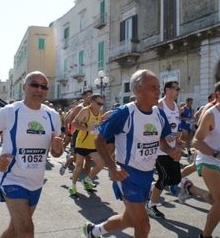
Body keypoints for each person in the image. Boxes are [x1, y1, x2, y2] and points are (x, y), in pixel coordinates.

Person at [86, 69, 181, 238]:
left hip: (147, 175)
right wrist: (112, 166)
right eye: (153, 87)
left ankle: (94, 231)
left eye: (158, 87)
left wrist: (171, 151)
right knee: (143, 226)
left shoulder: (159, 114)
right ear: (138, 90)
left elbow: (161, 141)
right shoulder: (124, 113)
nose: (158, 92)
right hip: (127, 175)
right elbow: (99, 140)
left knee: (129, 220)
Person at [0, 71, 63, 237]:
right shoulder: (9, 112)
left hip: (36, 181)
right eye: (34, 85)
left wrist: (58, 148)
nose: (39, 89)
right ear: (24, 87)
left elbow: (56, 153)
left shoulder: (53, 116)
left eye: (43, 86)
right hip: (12, 178)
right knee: (26, 231)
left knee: (14, 230)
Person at [178, 80, 220, 238]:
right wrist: (216, 153)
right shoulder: (211, 114)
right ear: (219, 94)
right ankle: (205, 236)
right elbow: (196, 141)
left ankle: (190, 189)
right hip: (208, 160)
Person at [146, 80, 182, 218]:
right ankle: (151, 205)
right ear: (167, 90)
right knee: (164, 177)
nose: (178, 91)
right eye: (176, 88)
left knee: (174, 179)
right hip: (159, 149)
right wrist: (163, 137)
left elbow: (175, 128)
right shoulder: (159, 105)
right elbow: (152, 127)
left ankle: (151, 187)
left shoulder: (177, 107)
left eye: (179, 89)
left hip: (171, 149)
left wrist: (177, 139)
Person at [69, 93, 105, 196]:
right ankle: (73, 186)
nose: (100, 106)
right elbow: (74, 123)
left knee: (100, 164)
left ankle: (87, 180)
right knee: (79, 165)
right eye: (98, 103)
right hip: (82, 143)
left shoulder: (100, 112)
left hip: (93, 144)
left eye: (102, 104)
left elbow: (99, 124)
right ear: (92, 102)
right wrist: (86, 129)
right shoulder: (85, 110)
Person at [179, 98, 194, 162]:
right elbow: (177, 115)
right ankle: (179, 148)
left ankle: (187, 151)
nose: (191, 103)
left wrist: (193, 119)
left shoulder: (191, 110)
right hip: (182, 125)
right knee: (185, 135)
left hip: (188, 125)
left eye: (192, 102)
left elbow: (193, 117)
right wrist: (183, 118)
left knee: (186, 139)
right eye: (190, 102)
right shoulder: (183, 109)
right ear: (187, 102)